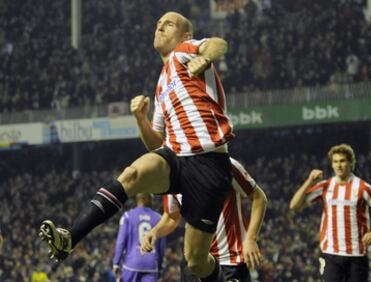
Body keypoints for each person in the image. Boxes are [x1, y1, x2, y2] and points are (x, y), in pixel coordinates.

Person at [39, 11, 234, 282]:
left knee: (196, 261)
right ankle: (69, 238)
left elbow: (218, 43)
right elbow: (156, 141)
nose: (160, 27)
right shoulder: (161, 84)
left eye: (169, 24)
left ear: (186, 36)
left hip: (208, 164)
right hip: (177, 159)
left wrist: (204, 56)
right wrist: (139, 119)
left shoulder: (183, 53)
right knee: (131, 175)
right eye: (158, 24)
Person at [141, 158, 267, 282]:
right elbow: (171, 217)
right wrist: (154, 232)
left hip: (229, 261)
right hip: (193, 263)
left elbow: (259, 198)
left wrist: (251, 238)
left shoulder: (226, 165)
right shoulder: (174, 177)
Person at [289, 144, 371, 282]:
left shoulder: (362, 188)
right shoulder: (325, 186)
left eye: (342, 161)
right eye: (335, 161)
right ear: (332, 164)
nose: (339, 165)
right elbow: (294, 206)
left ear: (351, 163)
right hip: (330, 253)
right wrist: (309, 181)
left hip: (357, 254)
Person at [112, 194, 166, 282]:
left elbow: (120, 242)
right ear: (145, 199)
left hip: (131, 264)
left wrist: (116, 263)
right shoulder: (159, 219)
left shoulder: (127, 216)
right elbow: (161, 246)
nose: (153, 201)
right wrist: (159, 266)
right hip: (151, 265)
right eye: (151, 198)